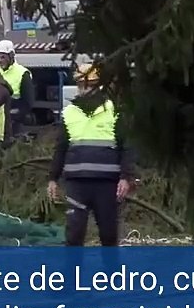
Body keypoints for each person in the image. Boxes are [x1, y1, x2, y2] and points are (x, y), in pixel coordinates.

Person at [47, 64, 135, 246]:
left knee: (109, 235)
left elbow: (126, 146)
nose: (82, 89)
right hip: (77, 184)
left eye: (86, 85)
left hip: (106, 183)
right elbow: (61, 148)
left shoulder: (113, 110)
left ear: (97, 85)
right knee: (74, 235)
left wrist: (125, 177)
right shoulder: (69, 112)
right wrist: (52, 179)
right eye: (79, 85)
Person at [0, 39, 34, 138]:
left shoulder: (23, 73)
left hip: (13, 121)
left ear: (11, 56)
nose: (0, 60)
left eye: (3, 57)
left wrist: (15, 116)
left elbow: (28, 102)